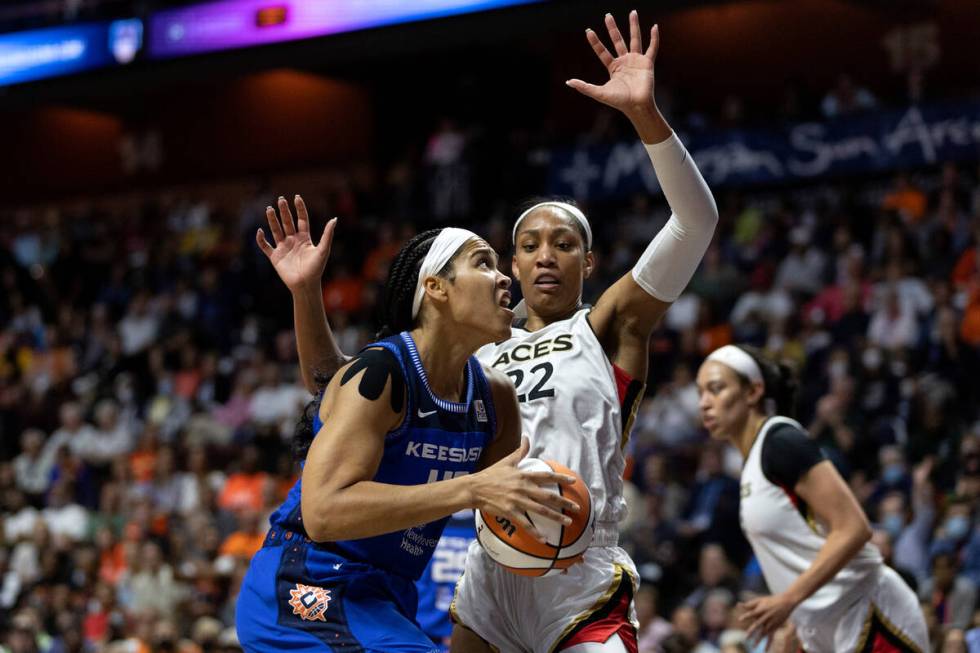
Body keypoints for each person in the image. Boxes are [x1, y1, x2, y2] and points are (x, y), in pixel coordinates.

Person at [262, 10, 719, 652]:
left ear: (588, 263)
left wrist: (645, 114)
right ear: (509, 267)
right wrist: (306, 296)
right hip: (489, 579)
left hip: (577, 576)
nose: (544, 255)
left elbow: (695, 222)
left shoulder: (609, 326)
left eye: (564, 244)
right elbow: (334, 385)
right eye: (527, 245)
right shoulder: (477, 351)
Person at [236, 225, 579, 652]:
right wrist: (471, 488)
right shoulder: (385, 371)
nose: (505, 277)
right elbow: (323, 512)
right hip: (306, 581)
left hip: (386, 596)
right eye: (483, 263)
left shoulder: (495, 396)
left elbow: (499, 529)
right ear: (435, 287)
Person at [696, 344, 929, 652]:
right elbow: (802, 549)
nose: (704, 403)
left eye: (716, 389)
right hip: (821, 626)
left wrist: (788, 599)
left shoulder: (781, 441)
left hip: (869, 613)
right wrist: (793, 620)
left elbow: (854, 528)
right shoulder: (751, 462)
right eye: (700, 392)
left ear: (753, 392)